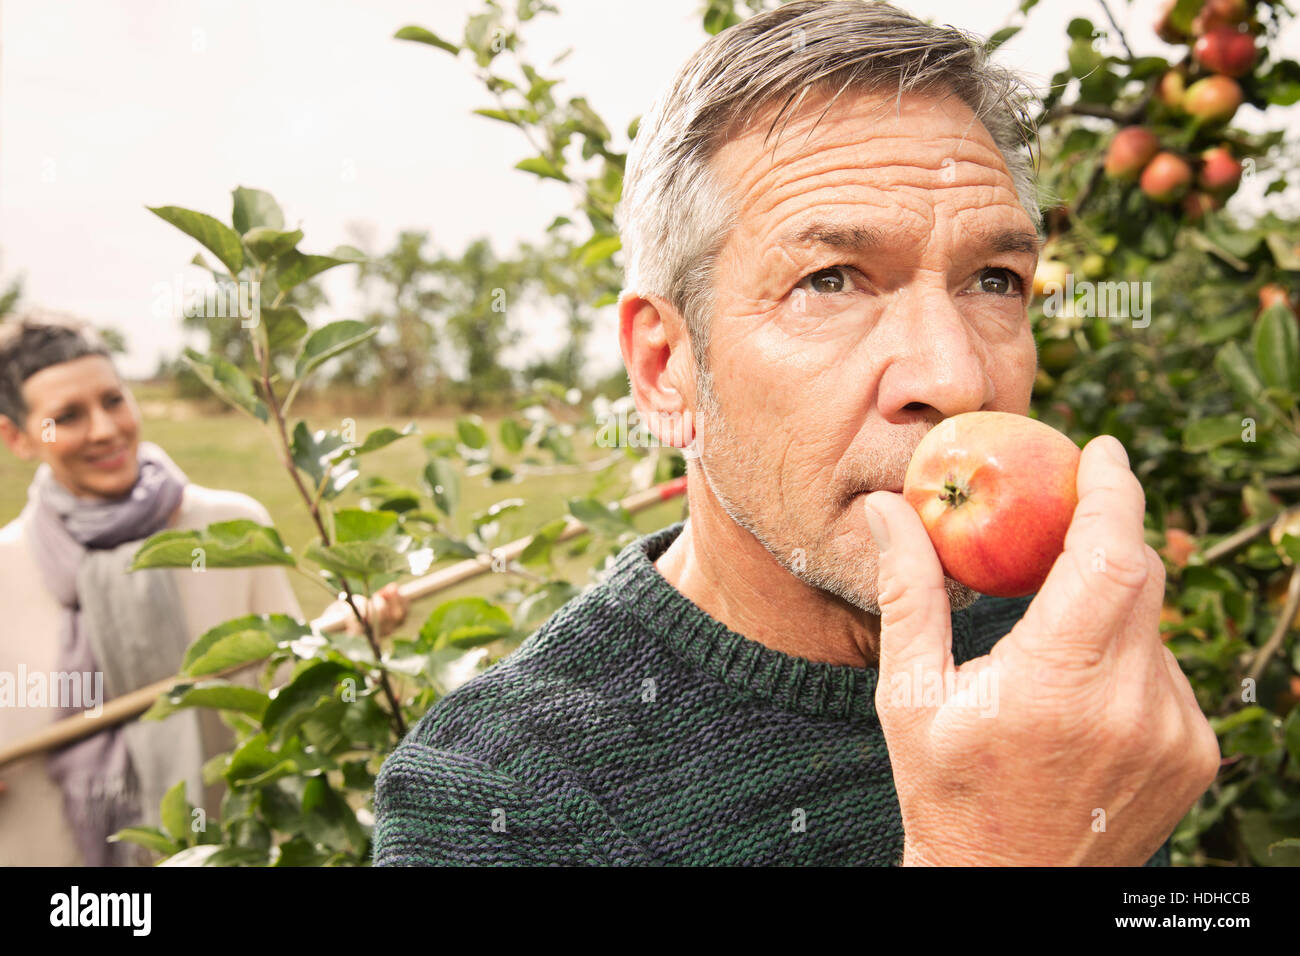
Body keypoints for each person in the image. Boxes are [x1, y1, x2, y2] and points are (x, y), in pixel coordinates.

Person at [372, 0, 1219, 866]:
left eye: (994, 280)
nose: (957, 377)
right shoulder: (497, 798)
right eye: (831, 281)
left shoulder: (1052, 636)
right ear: (667, 370)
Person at [0, 314, 407, 865]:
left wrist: (349, 642)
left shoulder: (229, 529)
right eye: (68, 417)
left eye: (114, 400)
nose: (104, 429)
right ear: (15, 436)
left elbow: (288, 702)